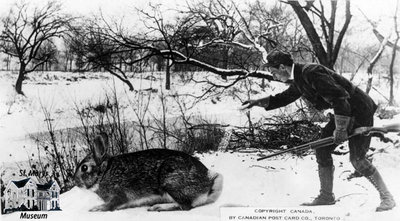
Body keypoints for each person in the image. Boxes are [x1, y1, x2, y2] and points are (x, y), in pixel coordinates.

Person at [242, 50, 396, 212]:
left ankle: (387, 197)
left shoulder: (311, 72)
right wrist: (258, 102)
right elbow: (284, 98)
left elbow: (339, 98)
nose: (273, 76)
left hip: (359, 110)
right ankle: (326, 196)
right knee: (322, 149)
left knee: (357, 159)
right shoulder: (299, 78)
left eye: (273, 72)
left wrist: (341, 129)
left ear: (282, 67)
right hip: (343, 110)